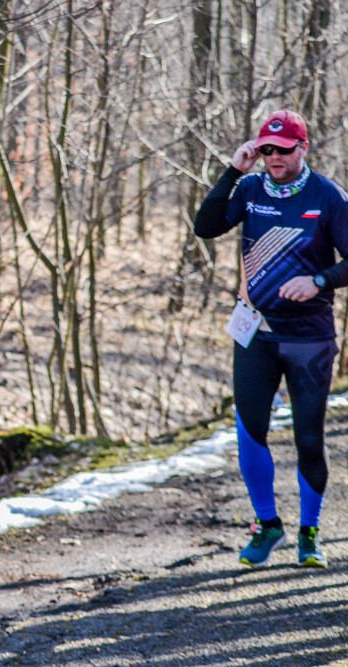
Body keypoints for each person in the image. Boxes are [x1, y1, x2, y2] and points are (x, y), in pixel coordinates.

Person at [194, 109, 348, 568]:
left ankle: (309, 533)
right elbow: (205, 226)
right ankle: (268, 526)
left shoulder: (328, 197)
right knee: (250, 434)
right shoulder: (251, 188)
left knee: (308, 438)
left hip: (309, 337)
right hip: (255, 332)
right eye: (266, 149)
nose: (274, 158)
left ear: (303, 148)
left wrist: (319, 281)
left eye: (283, 149)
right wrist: (234, 170)